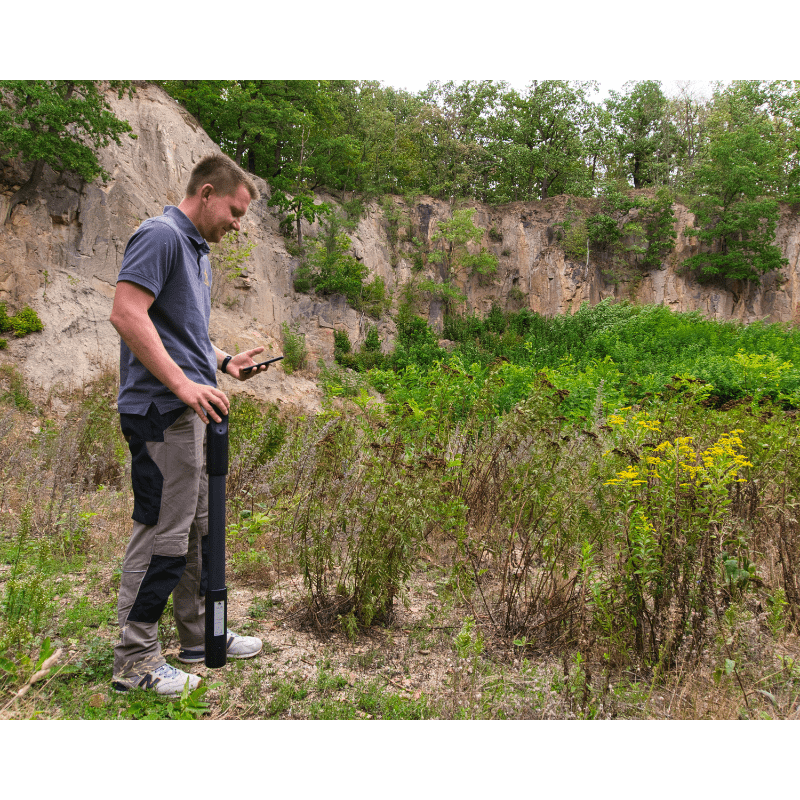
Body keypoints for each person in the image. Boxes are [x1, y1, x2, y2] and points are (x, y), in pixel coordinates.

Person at [109, 152, 269, 695]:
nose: (237, 224)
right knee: (162, 532)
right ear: (206, 194)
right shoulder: (160, 236)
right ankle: (135, 660)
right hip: (160, 412)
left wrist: (224, 362)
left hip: (188, 413)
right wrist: (183, 385)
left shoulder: (196, 250)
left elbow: (181, 331)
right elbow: (127, 312)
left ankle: (200, 635)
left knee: (197, 530)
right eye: (235, 211)